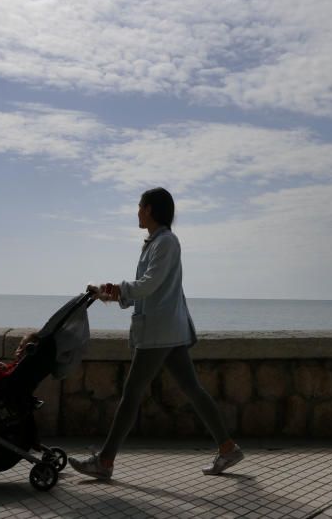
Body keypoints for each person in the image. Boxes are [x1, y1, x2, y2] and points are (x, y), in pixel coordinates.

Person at [69, 187, 243, 480]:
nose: (137, 212)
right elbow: (148, 290)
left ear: (149, 209)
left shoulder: (166, 243)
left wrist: (115, 290)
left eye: (139, 206)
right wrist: (113, 294)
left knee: (132, 393)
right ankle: (228, 448)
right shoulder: (156, 243)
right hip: (167, 330)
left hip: (159, 331)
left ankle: (105, 461)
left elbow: (148, 284)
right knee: (192, 390)